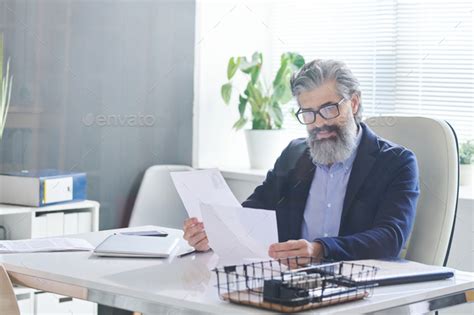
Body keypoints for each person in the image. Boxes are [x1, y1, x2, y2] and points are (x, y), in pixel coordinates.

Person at [183, 59, 420, 264]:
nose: (318, 123)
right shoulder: (295, 154)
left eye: (328, 109)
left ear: (354, 103)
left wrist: (320, 250)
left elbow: (390, 238)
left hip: (359, 287)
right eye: (308, 113)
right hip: (291, 284)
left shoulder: (396, 163)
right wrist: (215, 235)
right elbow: (254, 212)